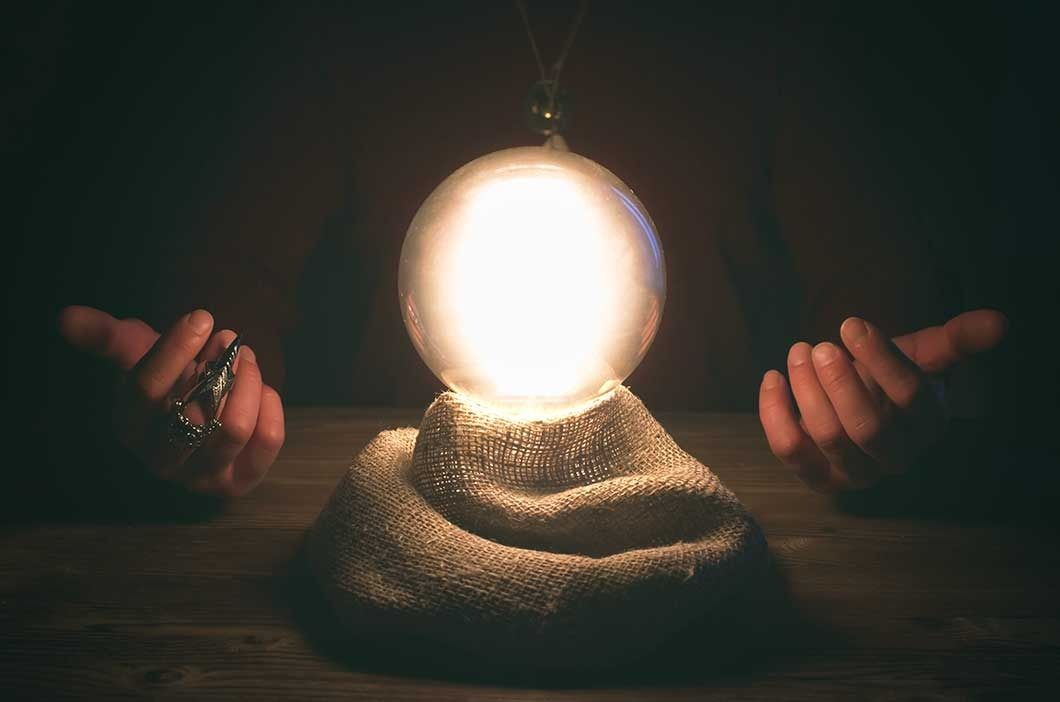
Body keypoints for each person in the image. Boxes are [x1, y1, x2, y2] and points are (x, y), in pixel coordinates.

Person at [13, 3, 1025, 504]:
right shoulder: (339, 28)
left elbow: (867, 286)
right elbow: (234, 279)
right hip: (406, 491)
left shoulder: (769, 30)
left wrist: (878, 396)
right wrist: (202, 394)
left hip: (703, 499)